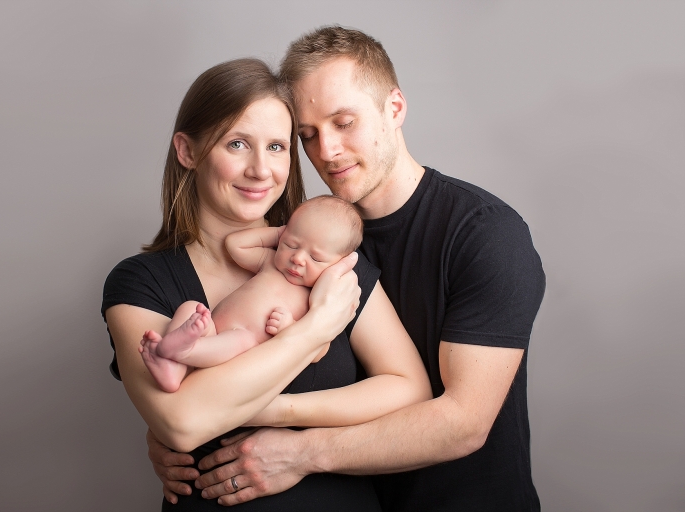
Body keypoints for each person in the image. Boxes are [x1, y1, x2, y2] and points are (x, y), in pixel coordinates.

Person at [148, 27, 546, 511]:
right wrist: (175, 427)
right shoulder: (307, 237)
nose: (327, 151)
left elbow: (463, 423)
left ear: (394, 108)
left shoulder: (484, 235)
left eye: (344, 122)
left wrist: (295, 448)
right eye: (308, 135)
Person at [102, 57, 431, 511]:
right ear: (188, 151)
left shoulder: (328, 262)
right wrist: (313, 330)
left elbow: (409, 389)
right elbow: (183, 424)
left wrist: (287, 426)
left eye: (277, 147)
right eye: (237, 143)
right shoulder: (141, 282)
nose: (261, 170)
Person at [139, 195, 365, 394]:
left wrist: (288, 327)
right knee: (191, 307)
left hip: (240, 341)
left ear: (340, 263)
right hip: (212, 328)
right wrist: (279, 233)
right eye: (292, 244)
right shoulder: (271, 263)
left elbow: (318, 349)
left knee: (241, 340)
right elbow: (235, 244)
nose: (298, 259)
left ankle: (182, 351)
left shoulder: (319, 297)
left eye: (316, 258)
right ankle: (172, 371)